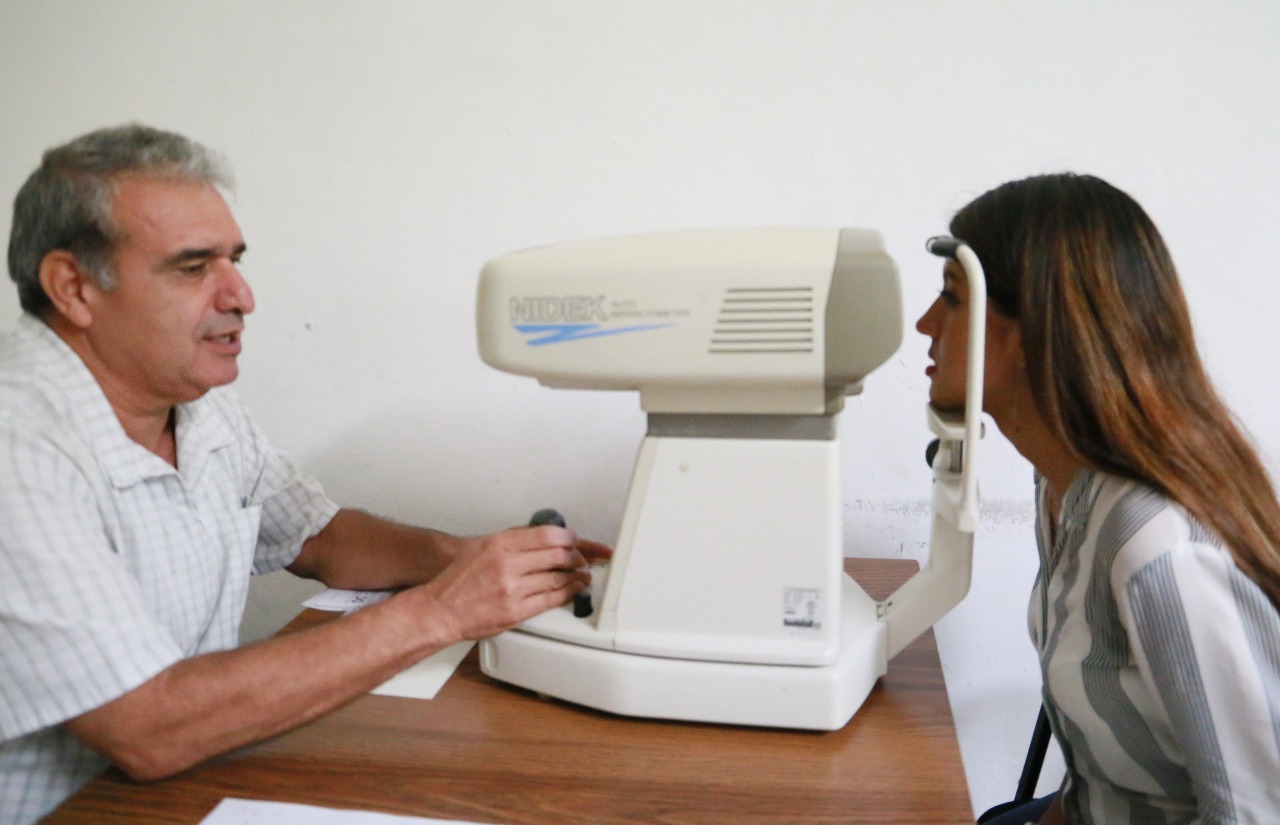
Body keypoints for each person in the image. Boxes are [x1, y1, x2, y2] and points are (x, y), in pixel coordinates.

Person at [0, 123, 611, 825]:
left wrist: (460, 558)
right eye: (194, 267)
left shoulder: (198, 408)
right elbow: (147, 726)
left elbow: (319, 536)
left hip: (178, 792)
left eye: (234, 259)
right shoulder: (17, 446)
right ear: (73, 287)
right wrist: (446, 608)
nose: (241, 295)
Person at [916, 172, 1280, 824]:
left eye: (952, 300)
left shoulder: (1157, 546)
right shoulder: (1061, 489)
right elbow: (1092, 784)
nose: (924, 324)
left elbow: (1255, 812)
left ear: (1034, 330)